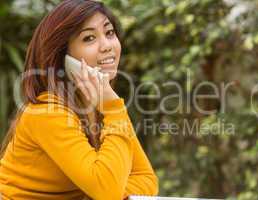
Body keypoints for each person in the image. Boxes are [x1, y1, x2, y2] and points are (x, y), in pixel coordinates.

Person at [0, 0, 159, 199]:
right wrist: (102, 190)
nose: (107, 46)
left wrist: (104, 190)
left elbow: (146, 179)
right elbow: (107, 190)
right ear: (63, 56)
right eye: (89, 38)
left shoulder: (105, 105)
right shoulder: (47, 113)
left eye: (109, 33)